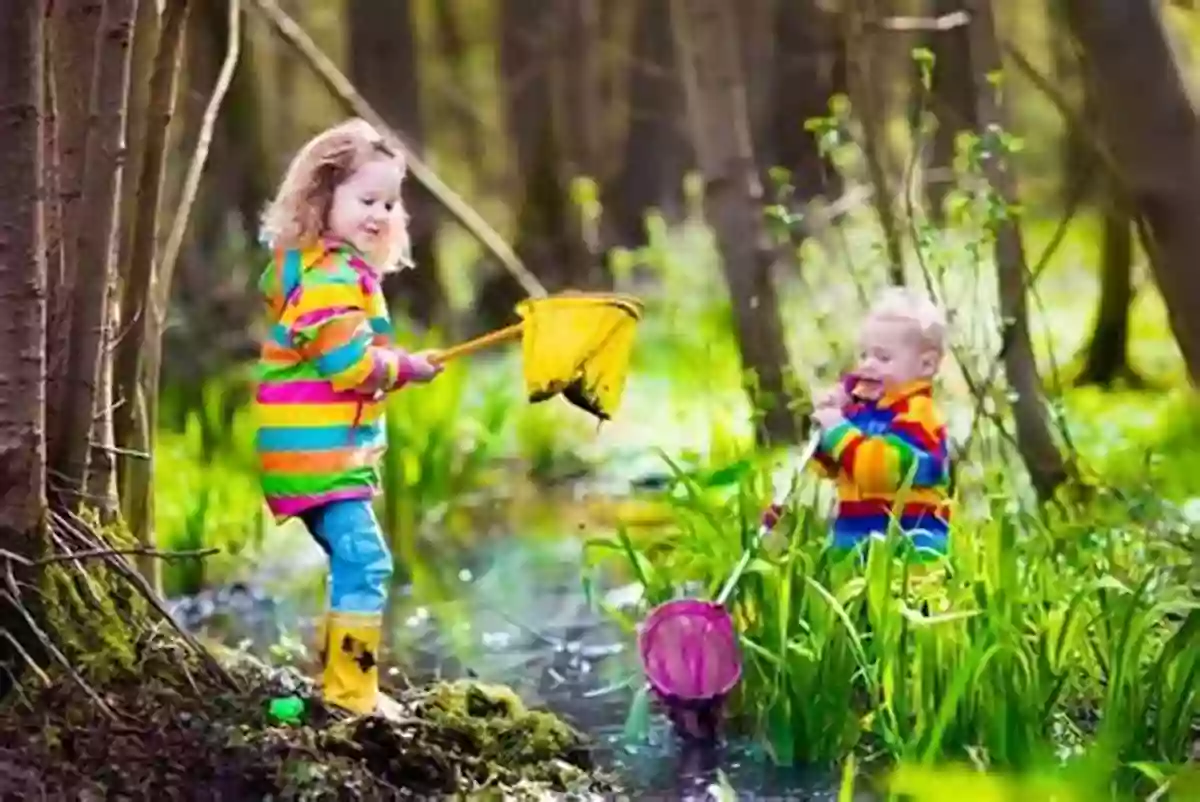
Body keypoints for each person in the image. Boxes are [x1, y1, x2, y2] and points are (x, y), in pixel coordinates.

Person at [254, 118, 442, 715]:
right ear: (321, 197)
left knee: (355, 561)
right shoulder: (330, 279)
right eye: (367, 199)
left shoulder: (332, 271)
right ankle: (350, 692)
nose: (382, 214)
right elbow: (351, 366)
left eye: (389, 202)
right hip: (318, 457)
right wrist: (405, 366)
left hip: (320, 453)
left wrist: (398, 363)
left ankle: (342, 681)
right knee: (368, 560)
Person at [810, 287, 952, 561]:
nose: (868, 366)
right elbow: (826, 467)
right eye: (864, 356)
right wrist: (827, 421)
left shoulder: (919, 417)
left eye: (883, 358)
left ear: (926, 365)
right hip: (855, 544)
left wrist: (838, 429)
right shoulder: (862, 412)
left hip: (909, 551)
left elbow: (877, 470)